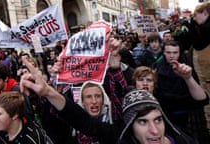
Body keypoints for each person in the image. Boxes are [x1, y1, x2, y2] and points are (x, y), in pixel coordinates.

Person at [19, 58, 198, 144]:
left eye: (158, 119)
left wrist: (189, 79)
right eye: (142, 122)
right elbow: (81, 120)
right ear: (129, 126)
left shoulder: (184, 140)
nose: (154, 130)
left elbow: (200, 101)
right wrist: (49, 91)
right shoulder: (118, 137)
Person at [153, 40, 210, 143]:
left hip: (187, 117)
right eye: (169, 52)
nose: (172, 56)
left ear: (180, 53)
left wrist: (187, 78)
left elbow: (202, 99)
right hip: (165, 116)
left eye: (175, 53)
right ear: (164, 53)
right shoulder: (157, 68)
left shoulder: (186, 68)